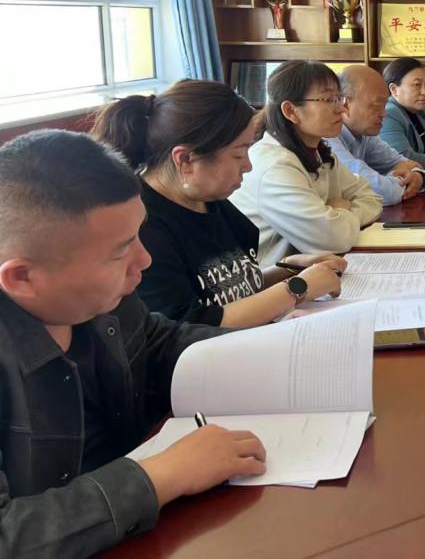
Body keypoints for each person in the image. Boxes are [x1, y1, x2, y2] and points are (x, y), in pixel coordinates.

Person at [0, 130, 267, 557]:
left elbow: (161, 342)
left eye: (139, 235)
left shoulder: (103, 298)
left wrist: (278, 347)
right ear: (22, 277)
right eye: (119, 251)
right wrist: (163, 475)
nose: (144, 260)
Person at [91, 81, 345, 327]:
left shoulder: (209, 200)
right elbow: (192, 325)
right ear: (185, 159)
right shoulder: (142, 226)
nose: (248, 166)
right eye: (238, 154)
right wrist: (297, 288)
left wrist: (288, 269)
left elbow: (228, 291)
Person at [231, 61, 382, 268]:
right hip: (270, 281)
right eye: (328, 99)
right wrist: (340, 212)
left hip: (312, 271)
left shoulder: (319, 152)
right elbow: (332, 239)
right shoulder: (274, 167)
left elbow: (372, 199)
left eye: (340, 98)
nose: (341, 108)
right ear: (291, 110)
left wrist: (337, 214)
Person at [327, 65, 425, 206]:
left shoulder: (365, 134)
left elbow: (408, 164)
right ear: (345, 104)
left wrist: (418, 176)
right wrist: (399, 180)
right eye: (376, 106)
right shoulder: (327, 137)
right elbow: (379, 191)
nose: (384, 114)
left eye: (384, 106)